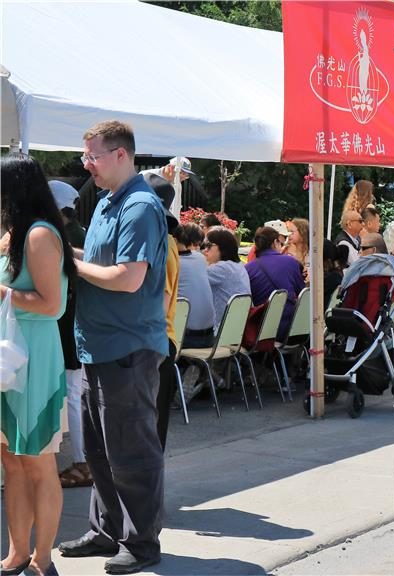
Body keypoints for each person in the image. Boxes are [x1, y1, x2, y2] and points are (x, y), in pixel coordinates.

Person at [59, 120, 168, 574]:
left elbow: (127, 277)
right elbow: (102, 261)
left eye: (94, 156)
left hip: (126, 349)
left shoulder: (140, 206)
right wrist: (63, 252)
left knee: (131, 452)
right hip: (100, 346)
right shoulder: (107, 201)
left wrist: (70, 265)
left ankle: (141, 543)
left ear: (121, 154)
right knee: (101, 452)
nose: (87, 166)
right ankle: (107, 530)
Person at [1, 154, 76, 576]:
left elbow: (53, 305)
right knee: (12, 459)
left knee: (37, 463)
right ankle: (16, 552)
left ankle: (42, 558)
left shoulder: (39, 236)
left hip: (33, 362)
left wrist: (2, 295)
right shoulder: (14, 234)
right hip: (10, 360)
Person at [48, 181, 91, 489]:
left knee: (73, 397)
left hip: (66, 327)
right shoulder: (81, 232)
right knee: (75, 396)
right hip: (76, 326)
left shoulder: (62, 238)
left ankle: (81, 461)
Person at [142, 173, 181, 452]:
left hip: (154, 343)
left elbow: (161, 303)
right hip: (156, 342)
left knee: (150, 435)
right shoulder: (161, 242)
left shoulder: (163, 245)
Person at [247, 227, 305, 342]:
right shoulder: (291, 262)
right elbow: (302, 293)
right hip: (291, 328)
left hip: (262, 331)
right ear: (275, 242)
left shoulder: (248, 269)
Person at [173, 224, 215, 349]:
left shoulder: (173, 263)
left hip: (184, 338)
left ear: (174, 240)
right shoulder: (201, 259)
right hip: (209, 336)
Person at [203, 226, 251, 333]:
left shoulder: (220, 269)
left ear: (222, 247)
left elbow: (193, 280)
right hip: (237, 331)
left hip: (219, 333)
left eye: (208, 246)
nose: (204, 250)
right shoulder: (238, 266)